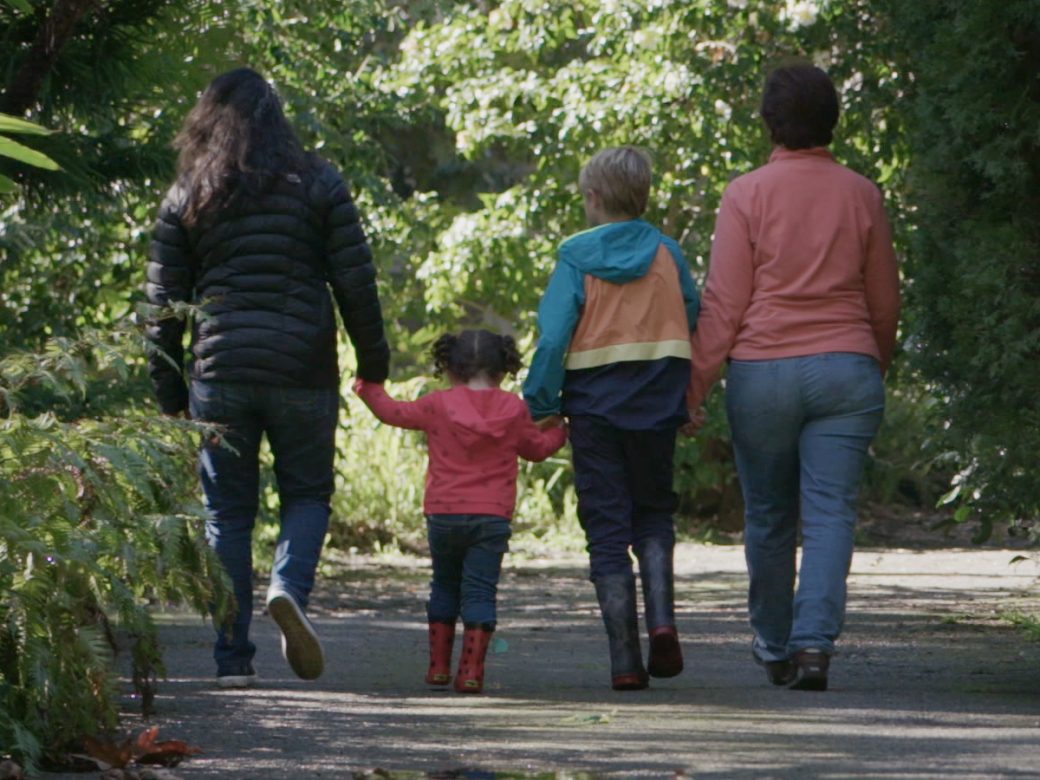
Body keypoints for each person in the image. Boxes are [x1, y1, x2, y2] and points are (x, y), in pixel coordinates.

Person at [145, 68, 390, 688]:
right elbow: (355, 283)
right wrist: (374, 365)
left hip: (220, 373)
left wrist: (171, 395)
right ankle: (289, 587)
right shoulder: (318, 182)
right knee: (307, 494)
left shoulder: (188, 194)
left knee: (227, 514)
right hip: (302, 367)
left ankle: (232, 662)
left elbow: (163, 310)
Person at [686, 63, 901, 691]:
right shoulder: (862, 193)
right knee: (832, 513)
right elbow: (885, 301)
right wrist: (869, 364)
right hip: (847, 369)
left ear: (769, 124)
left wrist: (694, 386)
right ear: (832, 120)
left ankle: (774, 645)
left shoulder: (746, 194)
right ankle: (814, 648)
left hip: (763, 374)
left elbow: (724, 304)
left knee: (770, 515)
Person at [523, 146, 700, 691]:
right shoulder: (668, 254)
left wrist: (541, 403)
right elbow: (693, 312)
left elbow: (554, 336)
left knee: (605, 530)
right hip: (656, 404)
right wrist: (685, 393)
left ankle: (625, 659)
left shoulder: (576, 259)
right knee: (652, 512)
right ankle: (663, 622)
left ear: (593, 198)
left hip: (595, 409)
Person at [354, 330, 567, 694]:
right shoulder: (514, 409)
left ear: (449, 368)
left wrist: (366, 386)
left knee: (444, 584)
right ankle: (470, 672)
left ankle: (438, 667)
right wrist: (561, 430)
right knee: (480, 591)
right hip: (492, 517)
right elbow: (536, 449)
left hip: (443, 514)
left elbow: (393, 411)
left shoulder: (438, 404)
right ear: (503, 370)